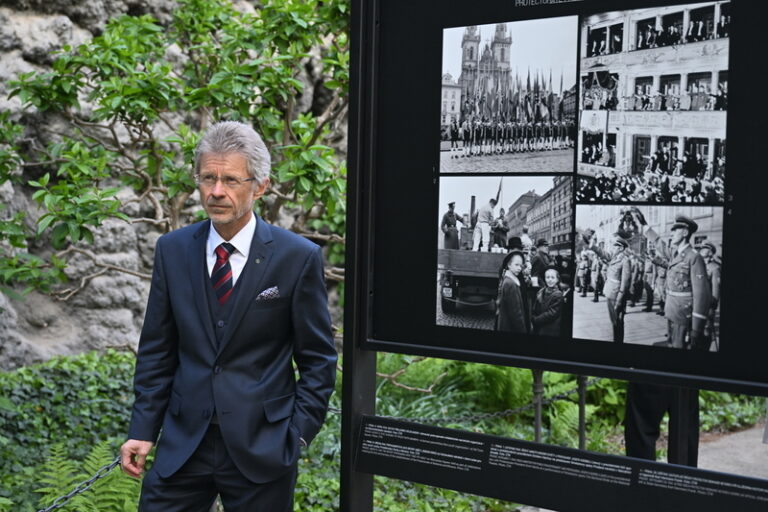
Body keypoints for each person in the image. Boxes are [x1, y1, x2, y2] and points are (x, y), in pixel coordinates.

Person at [120, 121, 338, 511]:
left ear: (260, 186)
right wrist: (142, 429)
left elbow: (318, 359)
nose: (216, 191)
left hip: (263, 448)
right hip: (184, 445)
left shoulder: (296, 257)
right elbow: (157, 349)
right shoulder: (172, 250)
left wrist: (297, 435)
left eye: (231, 180)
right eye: (208, 178)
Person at [652, 216, 711, 349]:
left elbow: (701, 296)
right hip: (672, 311)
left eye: (675, 229)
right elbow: (659, 244)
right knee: (672, 345)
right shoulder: (675, 254)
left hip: (684, 314)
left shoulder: (694, 257)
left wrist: (697, 328)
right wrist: (644, 225)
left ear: (685, 233)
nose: (671, 233)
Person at [603, 236, 631, 343]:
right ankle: (617, 340)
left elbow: (625, 282)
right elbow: (603, 255)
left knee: (618, 320)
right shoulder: (614, 258)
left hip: (617, 295)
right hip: (610, 292)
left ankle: (618, 341)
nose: (613, 248)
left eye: (615, 246)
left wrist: (619, 298)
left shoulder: (625, 260)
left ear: (621, 248)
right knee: (614, 320)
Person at [496, 250, 530, 334]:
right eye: (516, 265)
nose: (519, 268)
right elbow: (515, 313)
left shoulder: (509, 280)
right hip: (510, 327)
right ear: (509, 265)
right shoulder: (510, 283)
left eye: (521, 265)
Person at [532, 267, 564, 337]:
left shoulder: (558, 294)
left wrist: (536, 319)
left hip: (550, 328)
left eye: (552, 278)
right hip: (540, 325)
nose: (550, 280)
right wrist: (533, 315)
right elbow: (536, 306)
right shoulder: (541, 291)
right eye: (547, 277)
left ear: (557, 279)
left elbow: (551, 313)